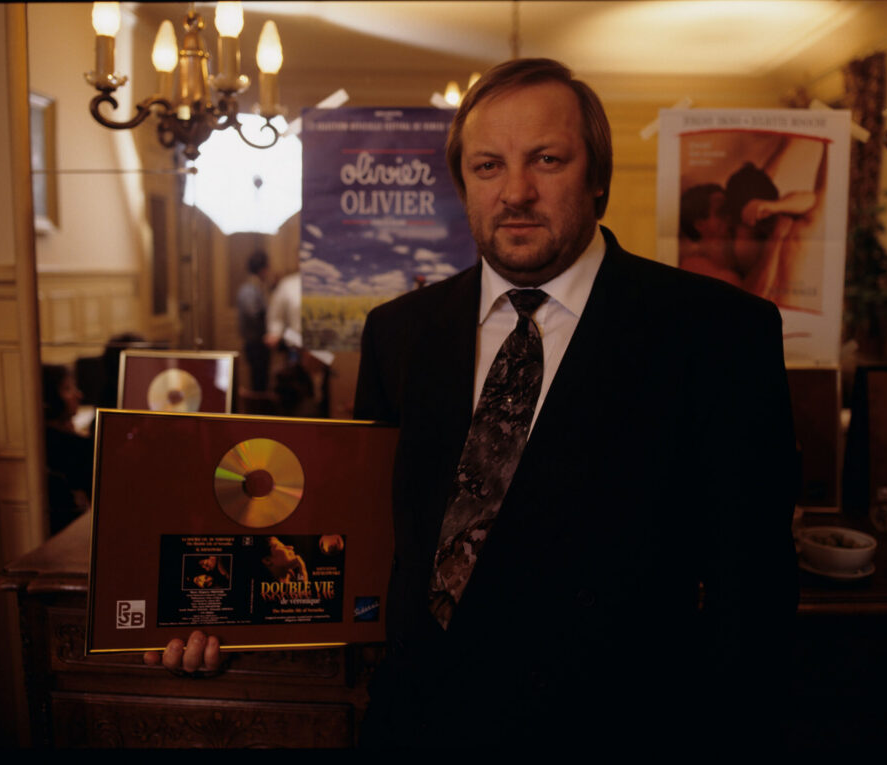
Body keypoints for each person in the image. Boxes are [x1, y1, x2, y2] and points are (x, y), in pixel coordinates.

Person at [146, 58, 799, 755]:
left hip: (616, 728)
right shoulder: (399, 332)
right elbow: (365, 547)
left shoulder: (718, 333)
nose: (516, 191)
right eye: (488, 166)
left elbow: (752, 596)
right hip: (419, 723)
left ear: (597, 176)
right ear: (463, 186)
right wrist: (223, 616)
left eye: (547, 159)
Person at [42, 364, 94, 534]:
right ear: (48, 398)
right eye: (67, 389)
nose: (79, 395)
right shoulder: (76, 446)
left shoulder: (40, 438)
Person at [237, 250, 272, 392]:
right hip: (255, 343)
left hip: (258, 343)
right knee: (258, 382)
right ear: (262, 269)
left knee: (261, 380)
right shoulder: (249, 289)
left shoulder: (254, 287)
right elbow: (255, 314)